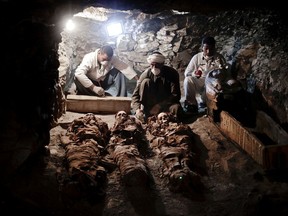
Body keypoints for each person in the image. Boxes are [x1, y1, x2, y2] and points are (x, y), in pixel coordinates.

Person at [131, 51, 184, 122]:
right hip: (150, 106)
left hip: (167, 105)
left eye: (157, 65)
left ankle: (164, 117)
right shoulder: (145, 74)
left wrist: (159, 106)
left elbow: (175, 95)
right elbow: (135, 95)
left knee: (176, 109)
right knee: (146, 82)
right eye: (152, 65)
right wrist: (137, 110)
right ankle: (149, 116)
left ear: (162, 64)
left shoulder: (172, 73)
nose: (154, 67)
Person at [183, 36, 227, 114]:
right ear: (202, 47)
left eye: (211, 48)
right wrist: (194, 73)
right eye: (206, 48)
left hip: (211, 84)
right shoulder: (196, 57)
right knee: (188, 80)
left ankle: (204, 102)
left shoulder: (219, 58)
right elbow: (187, 73)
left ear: (214, 47)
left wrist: (220, 71)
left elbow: (225, 73)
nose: (208, 51)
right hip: (199, 80)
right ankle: (191, 105)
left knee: (215, 85)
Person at [74, 45, 138, 97]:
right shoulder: (89, 58)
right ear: (99, 53)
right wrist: (93, 87)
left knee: (118, 72)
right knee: (77, 78)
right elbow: (78, 73)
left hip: (101, 83)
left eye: (108, 60)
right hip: (90, 84)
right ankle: (94, 94)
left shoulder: (111, 58)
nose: (106, 62)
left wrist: (137, 79)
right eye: (104, 59)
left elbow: (123, 66)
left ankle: (122, 98)